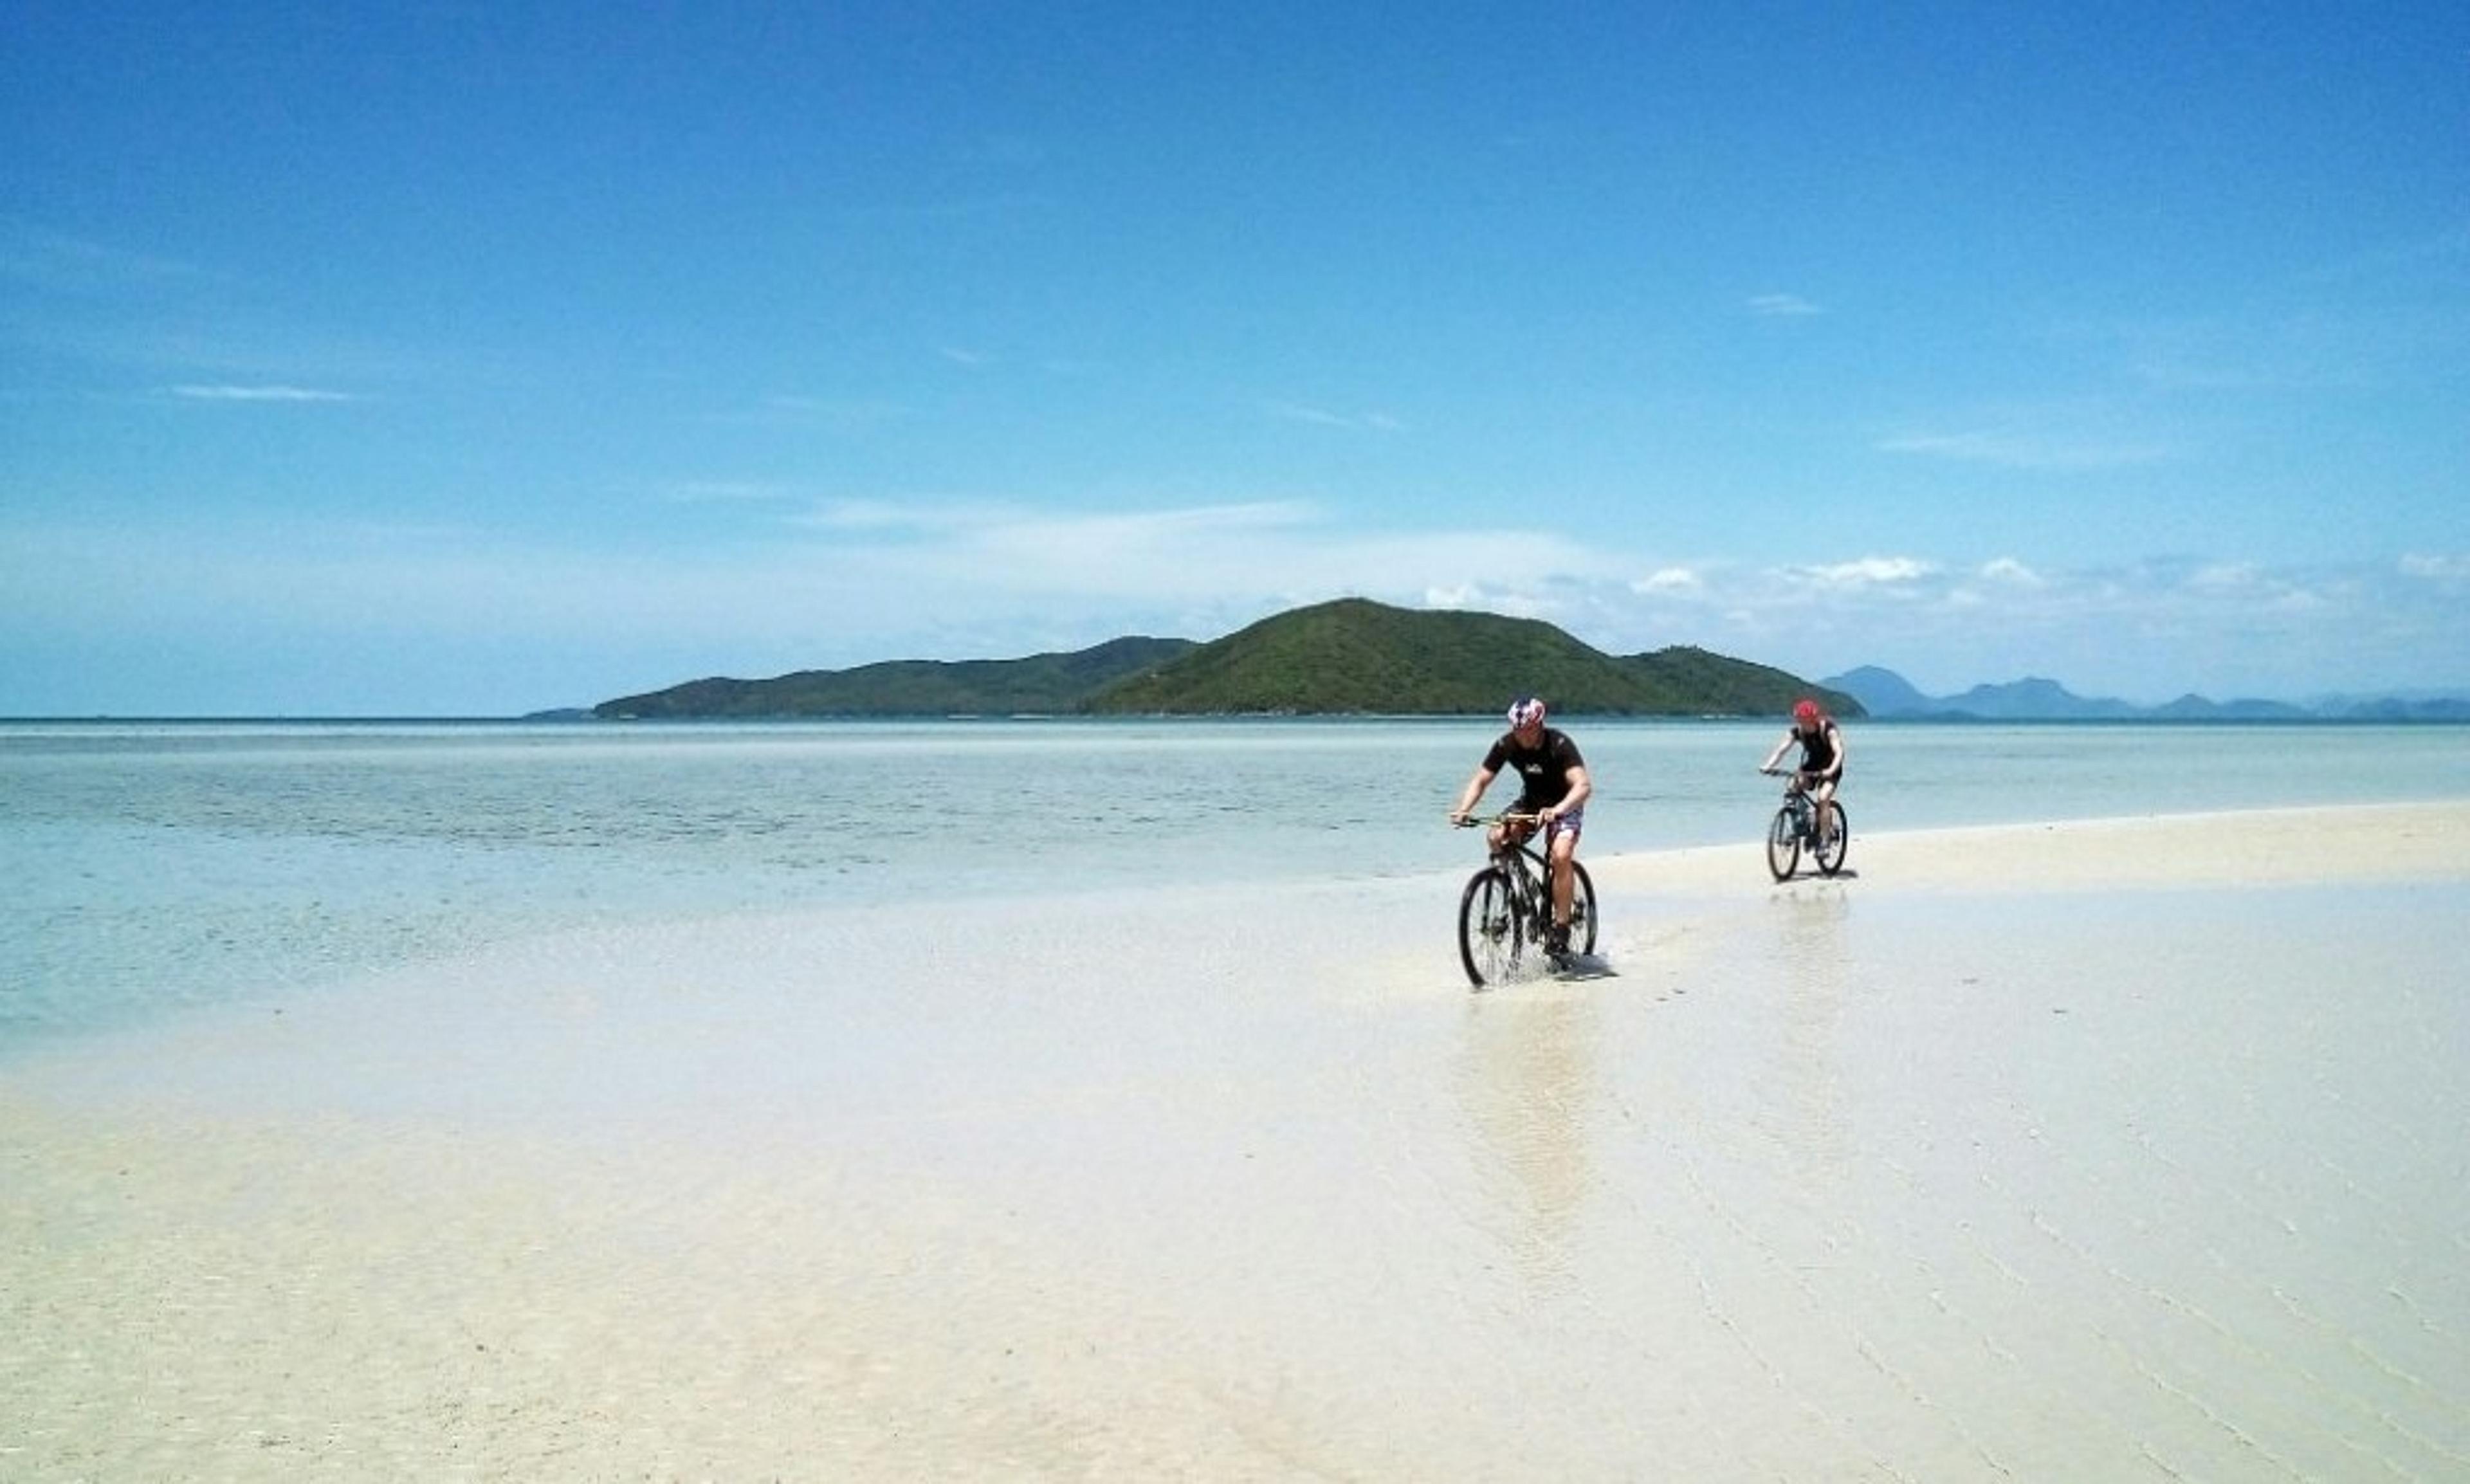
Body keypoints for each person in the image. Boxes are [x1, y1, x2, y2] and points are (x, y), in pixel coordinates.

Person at [1449, 696, 1593, 964]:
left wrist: (1559, 809)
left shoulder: (1559, 744)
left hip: (1566, 804)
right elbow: (1481, 779)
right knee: (1496, 836)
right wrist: (1464, 809)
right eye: (1517, 730)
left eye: (1528, 730)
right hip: (1531, 804)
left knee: (1561, 855)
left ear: (1540, 724)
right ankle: (1519, 891)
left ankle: (1562, 927)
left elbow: (1583, 786)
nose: (1522, 736)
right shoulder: (1507, 744)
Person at [1760, 698, 1847, 850]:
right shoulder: (1797, 732)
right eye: (1799, 719)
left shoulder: (1828, 729)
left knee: (1823, 798)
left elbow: (1839, 752)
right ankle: (1801, 822)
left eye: (1805, 719)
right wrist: (1769, 766)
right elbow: (1781, 750)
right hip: (1812, 765)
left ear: (1814, 718)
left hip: (1831, 766)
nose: (1802, 723)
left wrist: (1831, 770)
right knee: (1793, 786)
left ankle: (1825, 840)